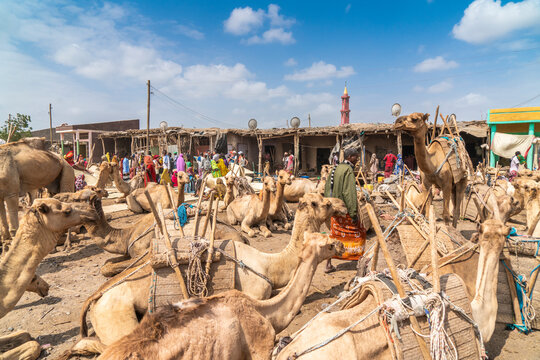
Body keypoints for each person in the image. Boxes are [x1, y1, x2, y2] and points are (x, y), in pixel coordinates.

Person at [324, 147, 366, 273]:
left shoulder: (335, 168)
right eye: (355, 157)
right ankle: (357, 259)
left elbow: (327, 188)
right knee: (360, 233)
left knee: (334, 235)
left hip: (333, 209)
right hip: (344, 210)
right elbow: (349, 193)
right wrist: (353, 214)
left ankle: (328, 264)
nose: (357, 160)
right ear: (349, 157)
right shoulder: (347, 170)